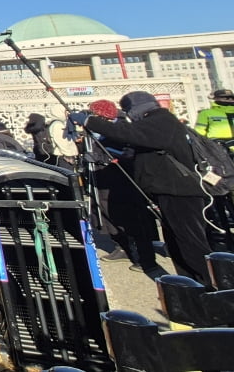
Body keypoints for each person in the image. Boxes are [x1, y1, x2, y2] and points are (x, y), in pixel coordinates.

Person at [72, 91, 214, 285]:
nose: (129, 114)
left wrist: (90, 121)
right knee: (177, 243)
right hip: (167, 191)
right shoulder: (156, 123)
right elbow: (142, 147)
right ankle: (190, 286)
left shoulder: (162, 120)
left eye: (129, 109)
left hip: (180, 192)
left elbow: (129, 133)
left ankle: (210, 286)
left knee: (190, 242)